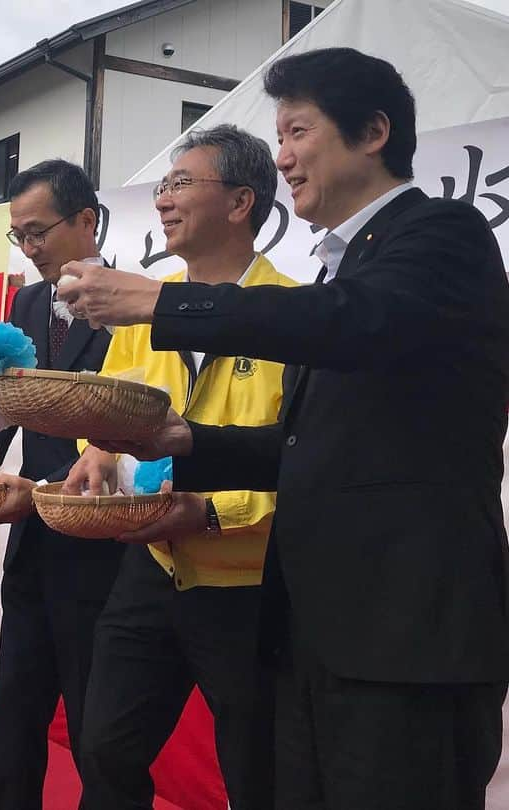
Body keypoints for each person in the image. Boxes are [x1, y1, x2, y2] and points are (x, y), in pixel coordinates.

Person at [57, 47, 509, 809]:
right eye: (279, 137)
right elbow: (311, 449)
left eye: (298, 132)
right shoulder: (343, 274)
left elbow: (353, 323)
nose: (285, 158)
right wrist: (185, 443)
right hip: (311, 632)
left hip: (405, 638)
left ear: (372, 132)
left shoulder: (441, 236)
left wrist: (160, 305)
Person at [65, 125, 295, 810]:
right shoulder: (143, 308)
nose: (163, 200)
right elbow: (106, 417)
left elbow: (307, 460)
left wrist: (214, 512)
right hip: (152, 567)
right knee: (104, 748)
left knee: (259, 770)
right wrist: (99, 454)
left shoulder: (291, 316)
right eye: (162, 185)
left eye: (180, 184)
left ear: (240, 202)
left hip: (249, 585)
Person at [0, 159, 119, 810]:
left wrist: (104, 448)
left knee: (97, 713)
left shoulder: (135, 300)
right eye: (20, 236)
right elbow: (2, 403)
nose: (31, 247)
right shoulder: (25, 301)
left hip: (104, 532)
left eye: (39, 231)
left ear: (86, 221)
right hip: (30, 529)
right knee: (16, 696)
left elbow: (155, 406)